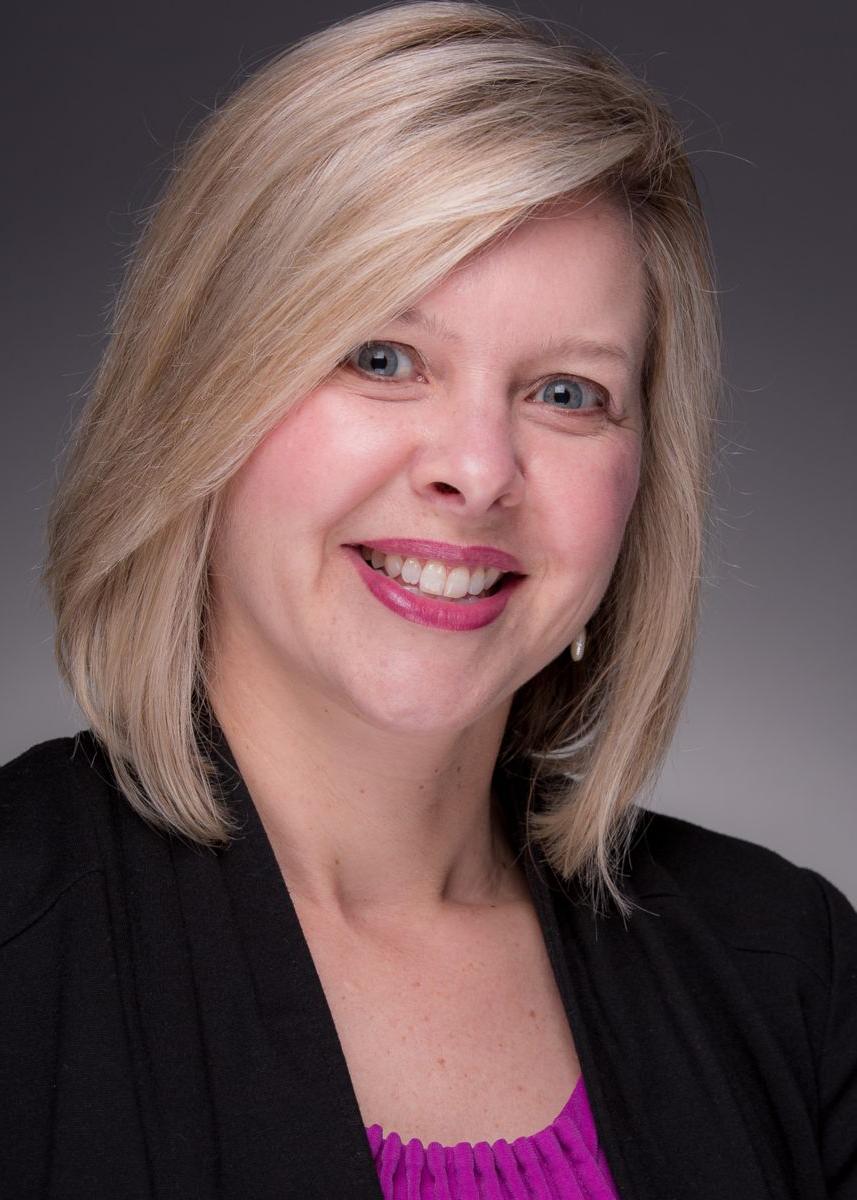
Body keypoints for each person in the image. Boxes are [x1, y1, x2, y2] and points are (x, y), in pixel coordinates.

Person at [2, 2, 855, 1197]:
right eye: (382, 357)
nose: (477, 469)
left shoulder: (790, 970)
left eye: (565, 392)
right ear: (202, 389)